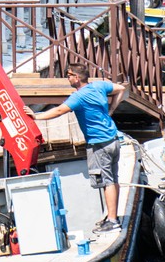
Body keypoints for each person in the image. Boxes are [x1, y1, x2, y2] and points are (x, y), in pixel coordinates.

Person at [32, 65, 127, 233]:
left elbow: (60, 110)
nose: (67, 78)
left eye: (68, 75)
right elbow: (121, 88)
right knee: (113, 178)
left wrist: (36, 117)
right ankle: (112, 215)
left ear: (76, 77)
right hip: (113, 139)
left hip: (100, 144)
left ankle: (112, 221)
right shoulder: (99, 85)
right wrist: (112, 109)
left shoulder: (78, 97)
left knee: (107, 181)